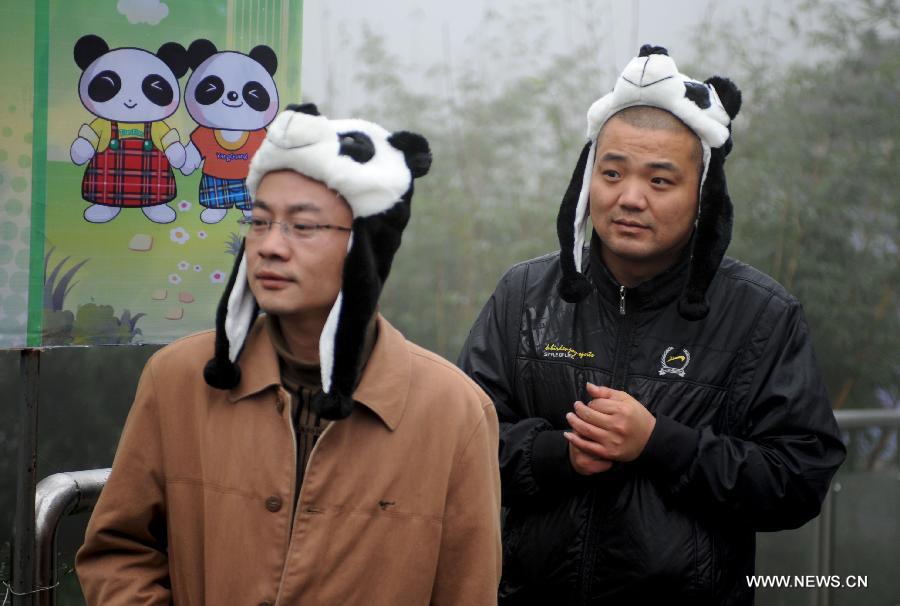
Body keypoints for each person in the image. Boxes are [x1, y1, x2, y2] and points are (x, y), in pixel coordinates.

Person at [458, 45, 845, 605]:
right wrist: (556, 455)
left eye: (661, 181)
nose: (630, 198)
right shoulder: (524, 296)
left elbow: (800, 476)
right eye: (612, 173)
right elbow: (462, 441)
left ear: (702, 195)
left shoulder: (761, 313)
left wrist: (662, 444)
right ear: (588, 179)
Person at [76, 104, 502, 605]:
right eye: (259, 222)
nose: (270, 247)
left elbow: (467, 591)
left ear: (365, 246)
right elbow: (118, 550)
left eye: (302, 227)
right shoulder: (178, 380)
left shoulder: (453, 412)